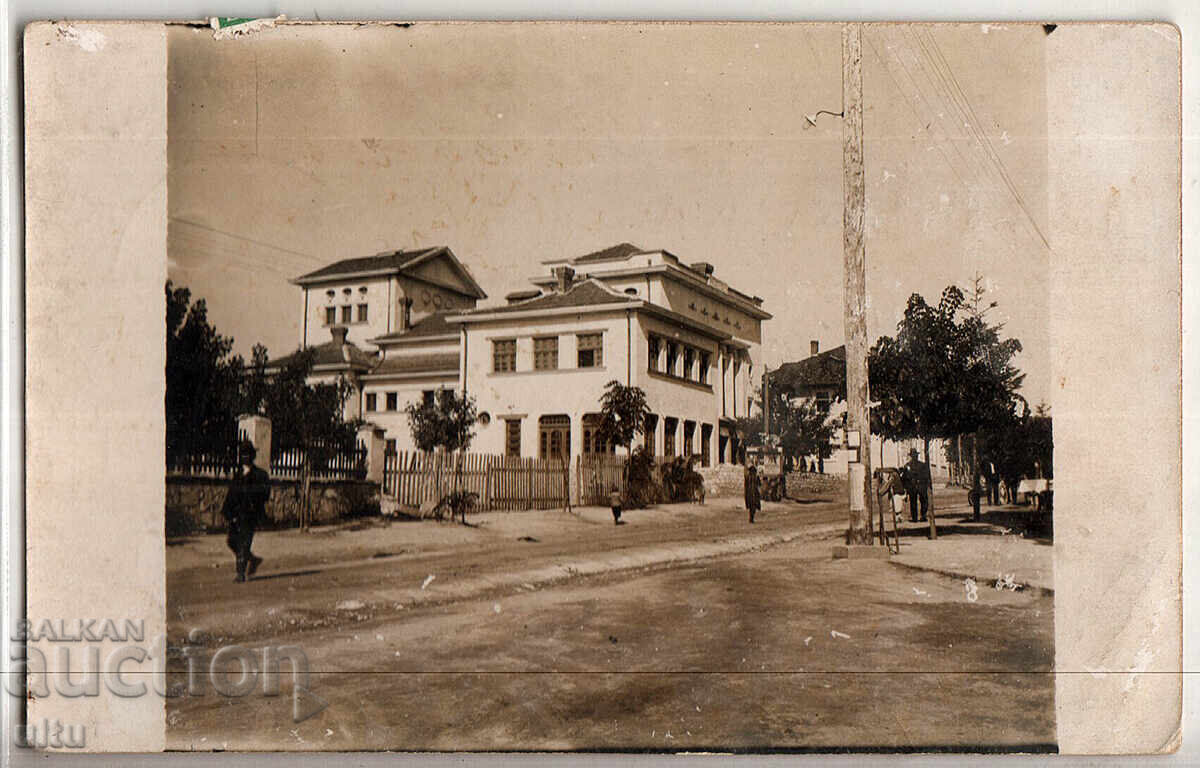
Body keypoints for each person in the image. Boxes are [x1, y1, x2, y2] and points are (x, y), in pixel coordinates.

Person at [221, 439, 270, 582]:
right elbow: (231, 494)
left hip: (250, 515)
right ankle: (253, 559)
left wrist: (256, 506)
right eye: (243, 454)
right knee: (231, 541)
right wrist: (227, 512)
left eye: (248, 454)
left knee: (244, 542)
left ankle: (240, 574)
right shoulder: (238, 475)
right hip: (236, 515)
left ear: (252, 456)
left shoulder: (260, 475)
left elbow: (265, 494)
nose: (245, 457)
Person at [903, 449, 930, 523]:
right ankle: (915, 517)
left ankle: (923, 516)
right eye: (914, 455)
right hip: (913, 486)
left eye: (916, 455)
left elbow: (926, 476)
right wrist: (906, 487)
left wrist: (925, 484)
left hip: (920, 485)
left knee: (923, 501)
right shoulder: (907, 465)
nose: (915, 456)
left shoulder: (922, 465)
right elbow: (905, 477)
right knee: (913, 502)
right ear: (911, 456)